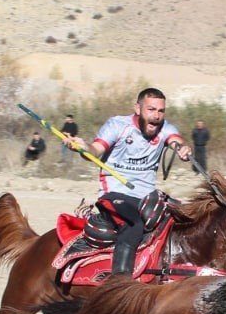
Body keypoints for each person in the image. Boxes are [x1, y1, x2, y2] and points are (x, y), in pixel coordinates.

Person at [64, 88, 191, 276]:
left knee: (186, 217)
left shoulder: (165, 128)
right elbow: (95, 151)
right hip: (115, 194)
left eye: (161, 111)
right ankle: (120, 283)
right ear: (138, 109)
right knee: (133, 226)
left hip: (146, 196)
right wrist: (83, 147)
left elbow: (176, 140)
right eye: (151, 109)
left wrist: (182, 149)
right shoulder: (117, 125)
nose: (156, 116)